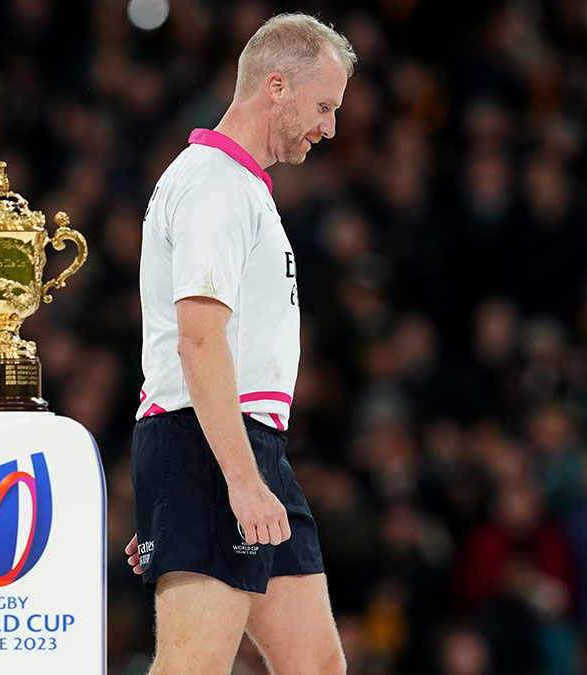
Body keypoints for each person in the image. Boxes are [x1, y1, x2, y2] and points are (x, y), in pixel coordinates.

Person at [125, 12, 356, 674]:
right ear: (276, 86)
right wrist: (227, 479)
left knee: (316, 665)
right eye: (324, 106)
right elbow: (197, 342)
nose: (330, 127)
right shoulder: (214, 185)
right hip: (211, 446)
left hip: (238, 447)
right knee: (192, 666)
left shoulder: (240, 189)